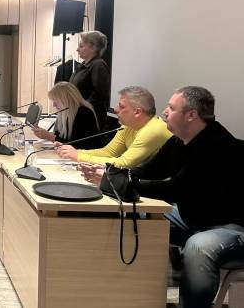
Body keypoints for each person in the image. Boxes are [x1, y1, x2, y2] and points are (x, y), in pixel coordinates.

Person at [79, 87, 244, 308]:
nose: (165, 111)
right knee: (135, 215)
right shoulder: (179, 141)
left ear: (191, 115)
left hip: (232, 227)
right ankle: (132, 297)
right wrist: (111, 175)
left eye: (172, 108)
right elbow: (148, 171)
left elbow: (174, 190)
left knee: (199, 247)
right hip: (193, 217)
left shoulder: (218, 145)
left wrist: (115, 181)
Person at [56, 86, 172, 168]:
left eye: (121, 106)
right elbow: (108, 152)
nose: (115, 109)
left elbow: (124, 163)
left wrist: (78, 156)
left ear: (137, 112)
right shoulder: (128, 125)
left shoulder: (153, 130)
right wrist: (73, 152)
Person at [29, 82, 101, 149]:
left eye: (55, 101)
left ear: (66, 100)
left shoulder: (83, 112)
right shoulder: (68, 113)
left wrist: (49, 136)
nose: (54, 105)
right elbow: (60, 136)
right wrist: (44, 134)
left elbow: (77, 144)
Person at [69, 31, 111, 129]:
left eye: (81, 46)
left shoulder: (98, 65)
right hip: (78, 114)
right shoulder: (83, 65)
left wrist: (80, 106)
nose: (77, 49)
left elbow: (99, 95)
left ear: (93, 47)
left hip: (89, 118)